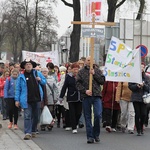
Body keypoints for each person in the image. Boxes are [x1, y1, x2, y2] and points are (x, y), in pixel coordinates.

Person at [15, 59, 46, 140]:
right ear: (24, 66)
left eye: (30, 64)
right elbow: (18, 89)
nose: (28, 65)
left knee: (36, 117)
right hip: (26, 99)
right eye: (27, 64)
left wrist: (40, 80)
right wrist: (17, 100)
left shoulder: (37, 73)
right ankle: (27, 133)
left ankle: (33, 130)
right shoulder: (21, 76)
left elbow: (44, 82)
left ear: (32, 66)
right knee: (27, 116)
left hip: (37, 98)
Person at [76, 56, 105, 143]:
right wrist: (85, 91)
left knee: (97, 115)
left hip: (96, 95)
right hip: (86, 96)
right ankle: (90, 136)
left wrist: (94, 74)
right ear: (85, 62)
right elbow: (77, 84)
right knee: (87, 116)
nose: (90, 62)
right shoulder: (81, 72)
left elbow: (102, 81)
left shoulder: (98, 70)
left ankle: (96, 134)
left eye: (91, 60)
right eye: (88, 60)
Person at [60, 62, 82, 134]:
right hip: (71, 96)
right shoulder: (68, 77)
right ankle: (74, 127)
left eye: (77, 69)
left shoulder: (81, 76)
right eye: (74, 69)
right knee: (72, 112)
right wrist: (61, 96)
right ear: (72, 70)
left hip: (80, 97)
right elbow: (64, 87)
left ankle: (76, 122)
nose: (76, 71)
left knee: (78, 113)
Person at [128, 63, 149, 136]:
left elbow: (148, 88)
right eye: (140, 67)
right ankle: (138, 129)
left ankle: (141, 125)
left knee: (143, 114)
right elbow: (130, 86)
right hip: (136, 97)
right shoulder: (133, 77)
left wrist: (144, 86)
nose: (141, 69)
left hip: (144, 98)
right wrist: (137, 86)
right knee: (137, 113)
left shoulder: (146, 77)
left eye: (143, 67)